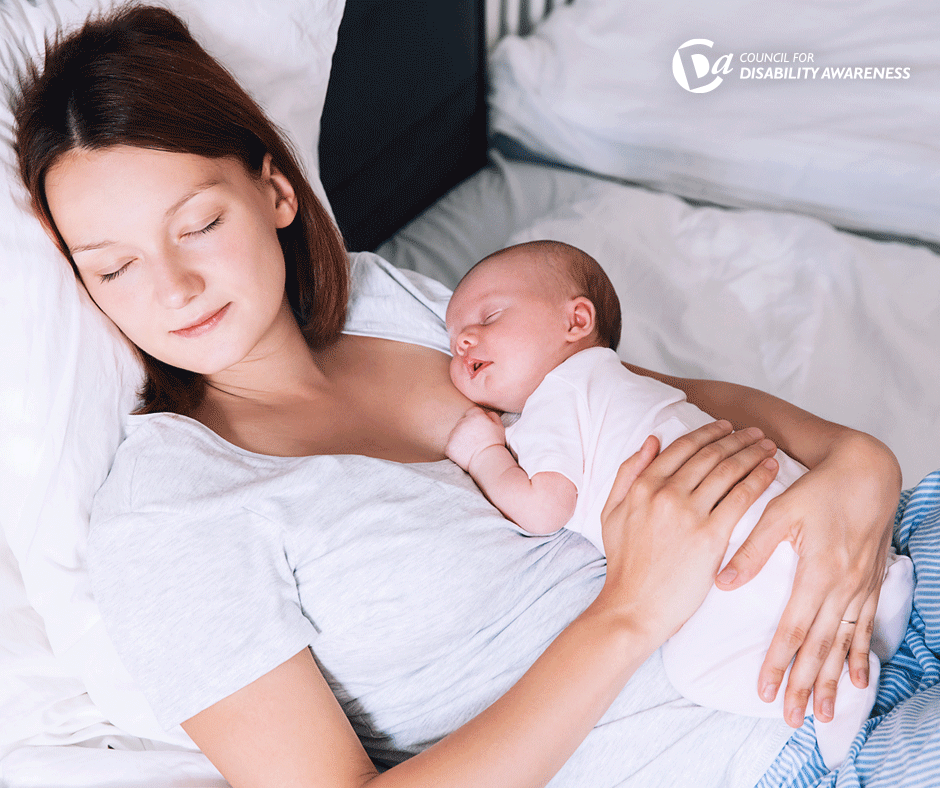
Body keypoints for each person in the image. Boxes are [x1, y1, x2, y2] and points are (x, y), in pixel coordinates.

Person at [13, 5, 902, 786]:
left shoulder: (384, 304)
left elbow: (630, 389)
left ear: (275, 190)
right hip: (771, 748)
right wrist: (629, 612)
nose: (173, 288)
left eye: (199, 224)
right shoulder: (172, 519)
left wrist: (857, 461)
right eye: (116, 268)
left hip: (868, 562)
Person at [443, 240, 914, 768]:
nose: (463, 339)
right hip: (797, 504)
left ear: (577, 320)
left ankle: (837, 693)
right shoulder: (618, 378)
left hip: (731, 560)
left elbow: (544, 506)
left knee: (693, 668)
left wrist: (485, 455)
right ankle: (890, 588)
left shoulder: (549, 405)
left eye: (489, 316)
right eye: (453, 337)